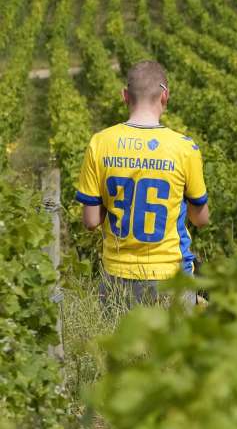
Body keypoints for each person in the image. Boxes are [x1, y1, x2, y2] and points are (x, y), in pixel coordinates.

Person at [75, 60, 209, 309]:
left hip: (117, 275)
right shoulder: (184, 148)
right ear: (165, 96)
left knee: (121, 347)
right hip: (171, 274)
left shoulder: (100, 143)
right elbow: (201, 219)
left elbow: (91, 221)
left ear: (125, 95)